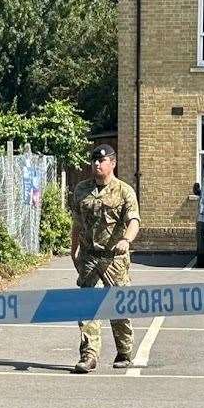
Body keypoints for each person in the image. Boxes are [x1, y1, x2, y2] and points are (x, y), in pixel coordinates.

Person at [70, 143, 140, 373]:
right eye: (94, 161)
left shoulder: (124, 190)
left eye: (102, 160)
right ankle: (89, 355)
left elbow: (134, 221)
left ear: (113, 163)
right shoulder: (82, 190)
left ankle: (124, 349)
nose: (96, 164)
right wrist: (74, 249)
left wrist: (126, 240)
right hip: (90, 256)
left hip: (114, 259)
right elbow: (77, 223)